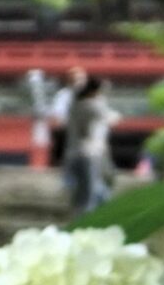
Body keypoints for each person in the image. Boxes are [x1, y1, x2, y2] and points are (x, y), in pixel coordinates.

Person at [64, 76, 116, 214]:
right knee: (91, 190)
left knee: (81, 190)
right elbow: (109, 117)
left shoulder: (74, 105)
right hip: (90, 153)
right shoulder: (92, 106)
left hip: (74, 152)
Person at [46, 65, 85, 168]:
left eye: (82, 78)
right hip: (67, 130)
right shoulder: (63, 95)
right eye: (78, 78)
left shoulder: (87, 95)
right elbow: (57, 114)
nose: (81, 81)